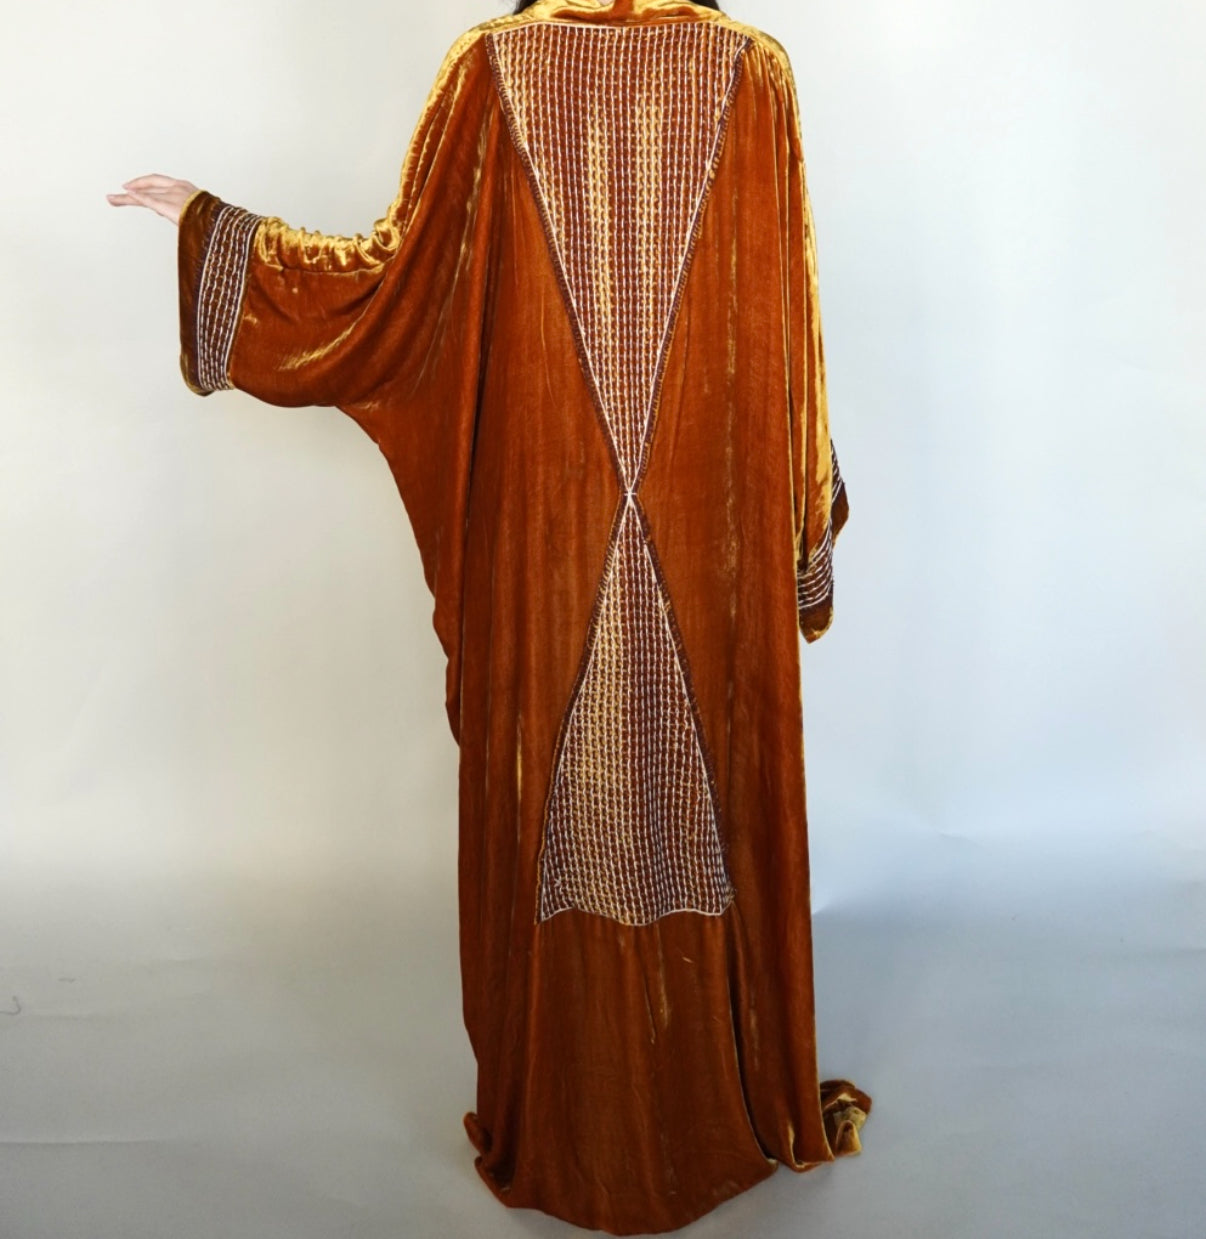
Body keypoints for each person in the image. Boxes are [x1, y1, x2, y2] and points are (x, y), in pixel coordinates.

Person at [108, 0, 869, 1232]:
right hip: (689, 514)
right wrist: (215, 226)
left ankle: (583, 1120)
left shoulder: (501, 67)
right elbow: (791, 338)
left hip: (557, 522)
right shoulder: (746, 70)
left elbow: (391, 284)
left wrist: (221, 238)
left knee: (608, 784)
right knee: (635, 785)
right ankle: (688, 1101)